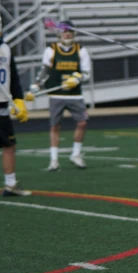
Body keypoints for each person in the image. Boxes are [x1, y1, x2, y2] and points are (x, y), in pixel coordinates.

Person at [28, 20, 91, 171]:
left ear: (74, 33)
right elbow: (45, 70)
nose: (67, 34)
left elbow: (86, 72)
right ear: (59, 34)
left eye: (69, 31)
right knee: (55, 126)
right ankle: (54, 160)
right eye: (64, 31)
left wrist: (77, 78)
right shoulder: (51, 49)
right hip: (56, 94)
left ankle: (75, 154)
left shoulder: (81, 49)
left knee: (82, 122)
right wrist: (37, 84)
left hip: (75, 95)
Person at [1, 17, 31, 196]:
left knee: (9, 144)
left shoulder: (5, 48)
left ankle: (11, 185)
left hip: (3, 106)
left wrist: (19, 100)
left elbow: (13, 77)